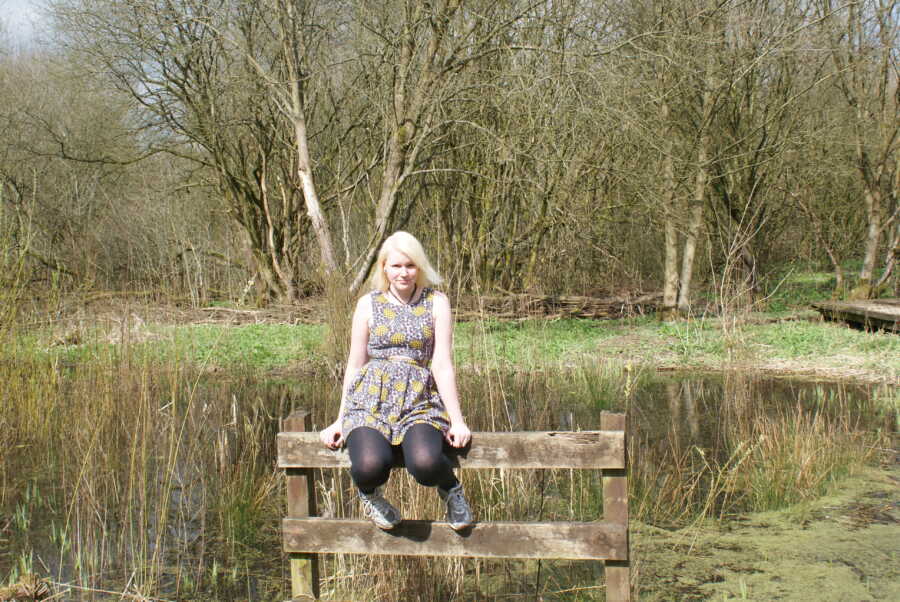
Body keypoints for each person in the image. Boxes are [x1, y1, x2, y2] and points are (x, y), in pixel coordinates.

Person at [319, 231, 474, 531]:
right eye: (396, 266)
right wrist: (340, 419)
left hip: (418, 399)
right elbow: (355, 363)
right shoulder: (368, 304)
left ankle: (452, 490)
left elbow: (442, 363)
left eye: (410, 265)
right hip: (370, 400)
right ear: (384, 268)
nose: (403, 273)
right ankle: (369, 495)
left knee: (426, 463)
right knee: (368, 466)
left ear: (420, 268)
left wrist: (457, 420)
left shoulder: (436, 302)